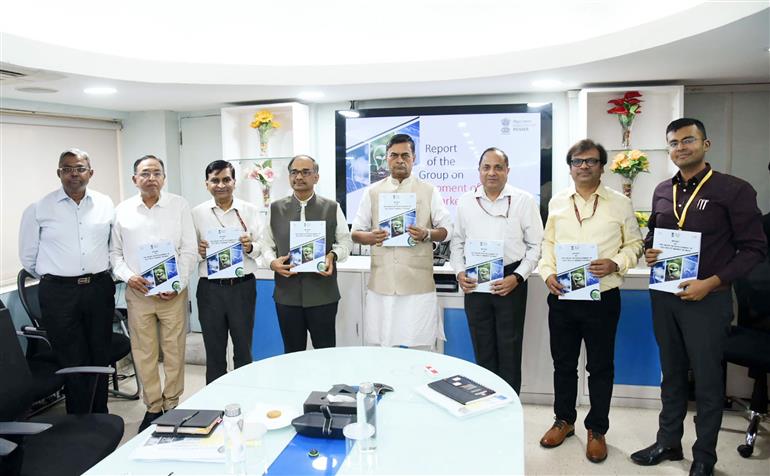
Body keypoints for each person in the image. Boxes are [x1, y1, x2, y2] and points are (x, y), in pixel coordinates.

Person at [631, 118, 766, 476]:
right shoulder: (663, 189)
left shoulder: (733, 190)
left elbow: (754, 249)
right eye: (673, 142)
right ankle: (668, 442)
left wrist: (713, 281)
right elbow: (654, 233)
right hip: (665, 295)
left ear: (706, 144)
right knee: (671, 373)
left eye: (688, 140)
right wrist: (649, 250)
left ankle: (704, 455)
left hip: (708, 299)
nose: (680, 147)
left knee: (707, 379)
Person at [538, 139, 643, 463]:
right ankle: (564, 420)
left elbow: (635, 245)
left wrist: (616, 262)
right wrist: (547, 274)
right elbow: (547, 247)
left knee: (600, 367)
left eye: (591, 161)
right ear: (569, 167)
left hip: (603, 297)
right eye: (578, 161)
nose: (584, 166)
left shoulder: (619, 203)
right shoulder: (556, 203)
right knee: (563, 364)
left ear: (602, 165)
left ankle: (597, 429)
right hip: (563, 297)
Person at [18, 148, 115, 414]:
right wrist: (59, 277)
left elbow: (112, 245)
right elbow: (28, 258)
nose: (74, 173)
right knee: (71, 357)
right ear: (59, 172)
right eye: (67, 168)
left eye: (80, 168)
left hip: (98, 288)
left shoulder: (105, 203)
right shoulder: (39, 208)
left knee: (100, 353)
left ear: (90, 172)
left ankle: (99, 415)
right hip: (58, 292)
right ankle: (79, 418)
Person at [110, 155, 197, 432]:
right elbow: (115, 254)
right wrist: (129, 277)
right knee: (144, 352)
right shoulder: (122, 211)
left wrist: (178, 284)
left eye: (156, 173)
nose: (151, 178)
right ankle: (152, 407)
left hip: (173, 294)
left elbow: (189, 249)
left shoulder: (179, 205)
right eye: (145, 173)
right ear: (134, 179)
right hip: (139, 293)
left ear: (163, 177)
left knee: (174, 350)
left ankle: (172, 404)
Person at [450, 147, 543, 394]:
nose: (492, 173)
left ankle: (510, 403)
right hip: (474, 282)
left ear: (508, 171)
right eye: (486, 167)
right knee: (483, 346)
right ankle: (486, 401)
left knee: (510, 347)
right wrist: (460, 273)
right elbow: (457, 243)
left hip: (510, 280)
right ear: (479, 171)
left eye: (498, 167)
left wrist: (518, 277)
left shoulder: (524, 200)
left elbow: (536, 246)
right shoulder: (465, 202)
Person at [352, 134, 453, 349]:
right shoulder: (372, 192)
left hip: (417, 284)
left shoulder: (429, 190)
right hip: (383, 284)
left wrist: (427, 233)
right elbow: (355, 233)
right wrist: (370, 237)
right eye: (394, 155)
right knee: (383, 345)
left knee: (420, 347)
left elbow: (447, 230)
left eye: (405, 155)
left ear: (413, 158)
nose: (400, 160)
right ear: (386, 159)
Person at [261, 155, 353, 353]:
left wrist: (333, 256)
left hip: (323, 294)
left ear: (316, 177)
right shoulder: (276, 208)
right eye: (294, 172)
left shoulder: (332, 207)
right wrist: (272, 262)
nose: (299, 177)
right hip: (287, 295)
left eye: (305, 172)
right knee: (292, 353)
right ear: (289, 177)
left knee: (325, 352)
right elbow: (265, 244)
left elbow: (346, 240)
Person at [191, 160, 262, 384]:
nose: (221, 185)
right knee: (214, 351)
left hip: (242, 287)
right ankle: (214, 404)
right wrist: (199, 251)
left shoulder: (249, 210)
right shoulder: (196, 213)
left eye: (226, 180)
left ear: (234, 182)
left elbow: (263, 246)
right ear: (207, 184)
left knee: (243, 349)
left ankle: (244, 395)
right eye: (215, 180)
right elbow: (187, 252)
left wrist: (250, 246)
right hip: (210, 289)